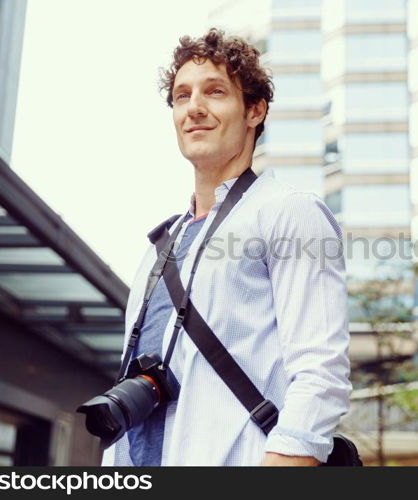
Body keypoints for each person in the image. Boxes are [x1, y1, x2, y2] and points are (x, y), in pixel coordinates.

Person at [100, 28, 352, 466]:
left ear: (255, 110)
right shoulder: (160, 244)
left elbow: (320, 375)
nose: (194, 108)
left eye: (215, 92)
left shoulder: (289, 212)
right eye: (181, 96)